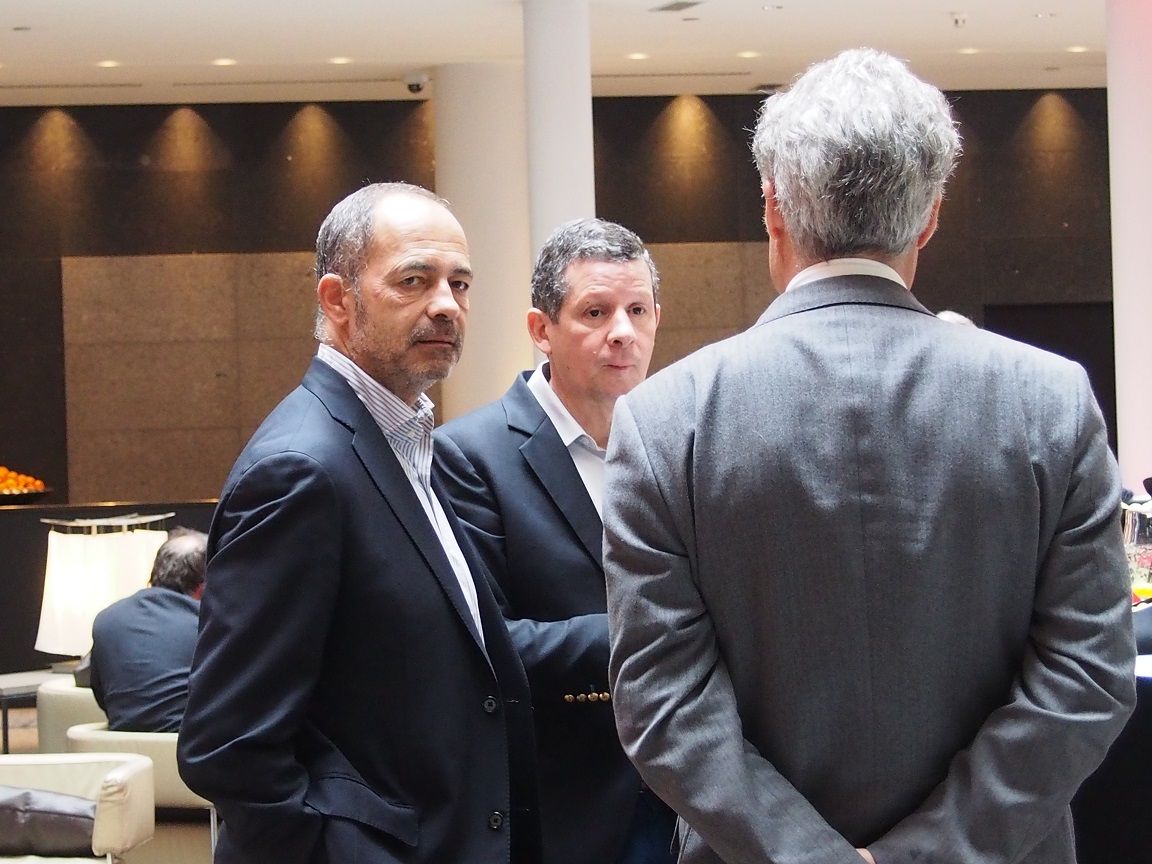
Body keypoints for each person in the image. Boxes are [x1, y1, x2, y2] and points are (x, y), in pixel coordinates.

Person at [602, 48, 1136, 864]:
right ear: (931, 216)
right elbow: (1088, 674)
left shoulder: (664, 420)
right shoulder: (1051, 400)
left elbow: (664, 703)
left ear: (772, 207)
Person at [178, 182, 540, 864]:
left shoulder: (406, 445)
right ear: (337, 300)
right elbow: (228, 744)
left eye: (460, 284)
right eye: (413, 280)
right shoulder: (300, 469)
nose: (446, 304)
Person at [435, 217, 674, 864]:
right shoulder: (468, 456)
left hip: (693, 796)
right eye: (595, 312)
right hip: (566, 808)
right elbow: (482, 647)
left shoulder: (681, 442)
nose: (622, 331)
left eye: (638, 310)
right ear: (541, 329)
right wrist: (659, 630)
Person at [87, 527, 206, 732]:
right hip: (196, 745)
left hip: (122, 748)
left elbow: (101, 695)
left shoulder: (106, 619)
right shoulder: (209, 623)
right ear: (202, 587)